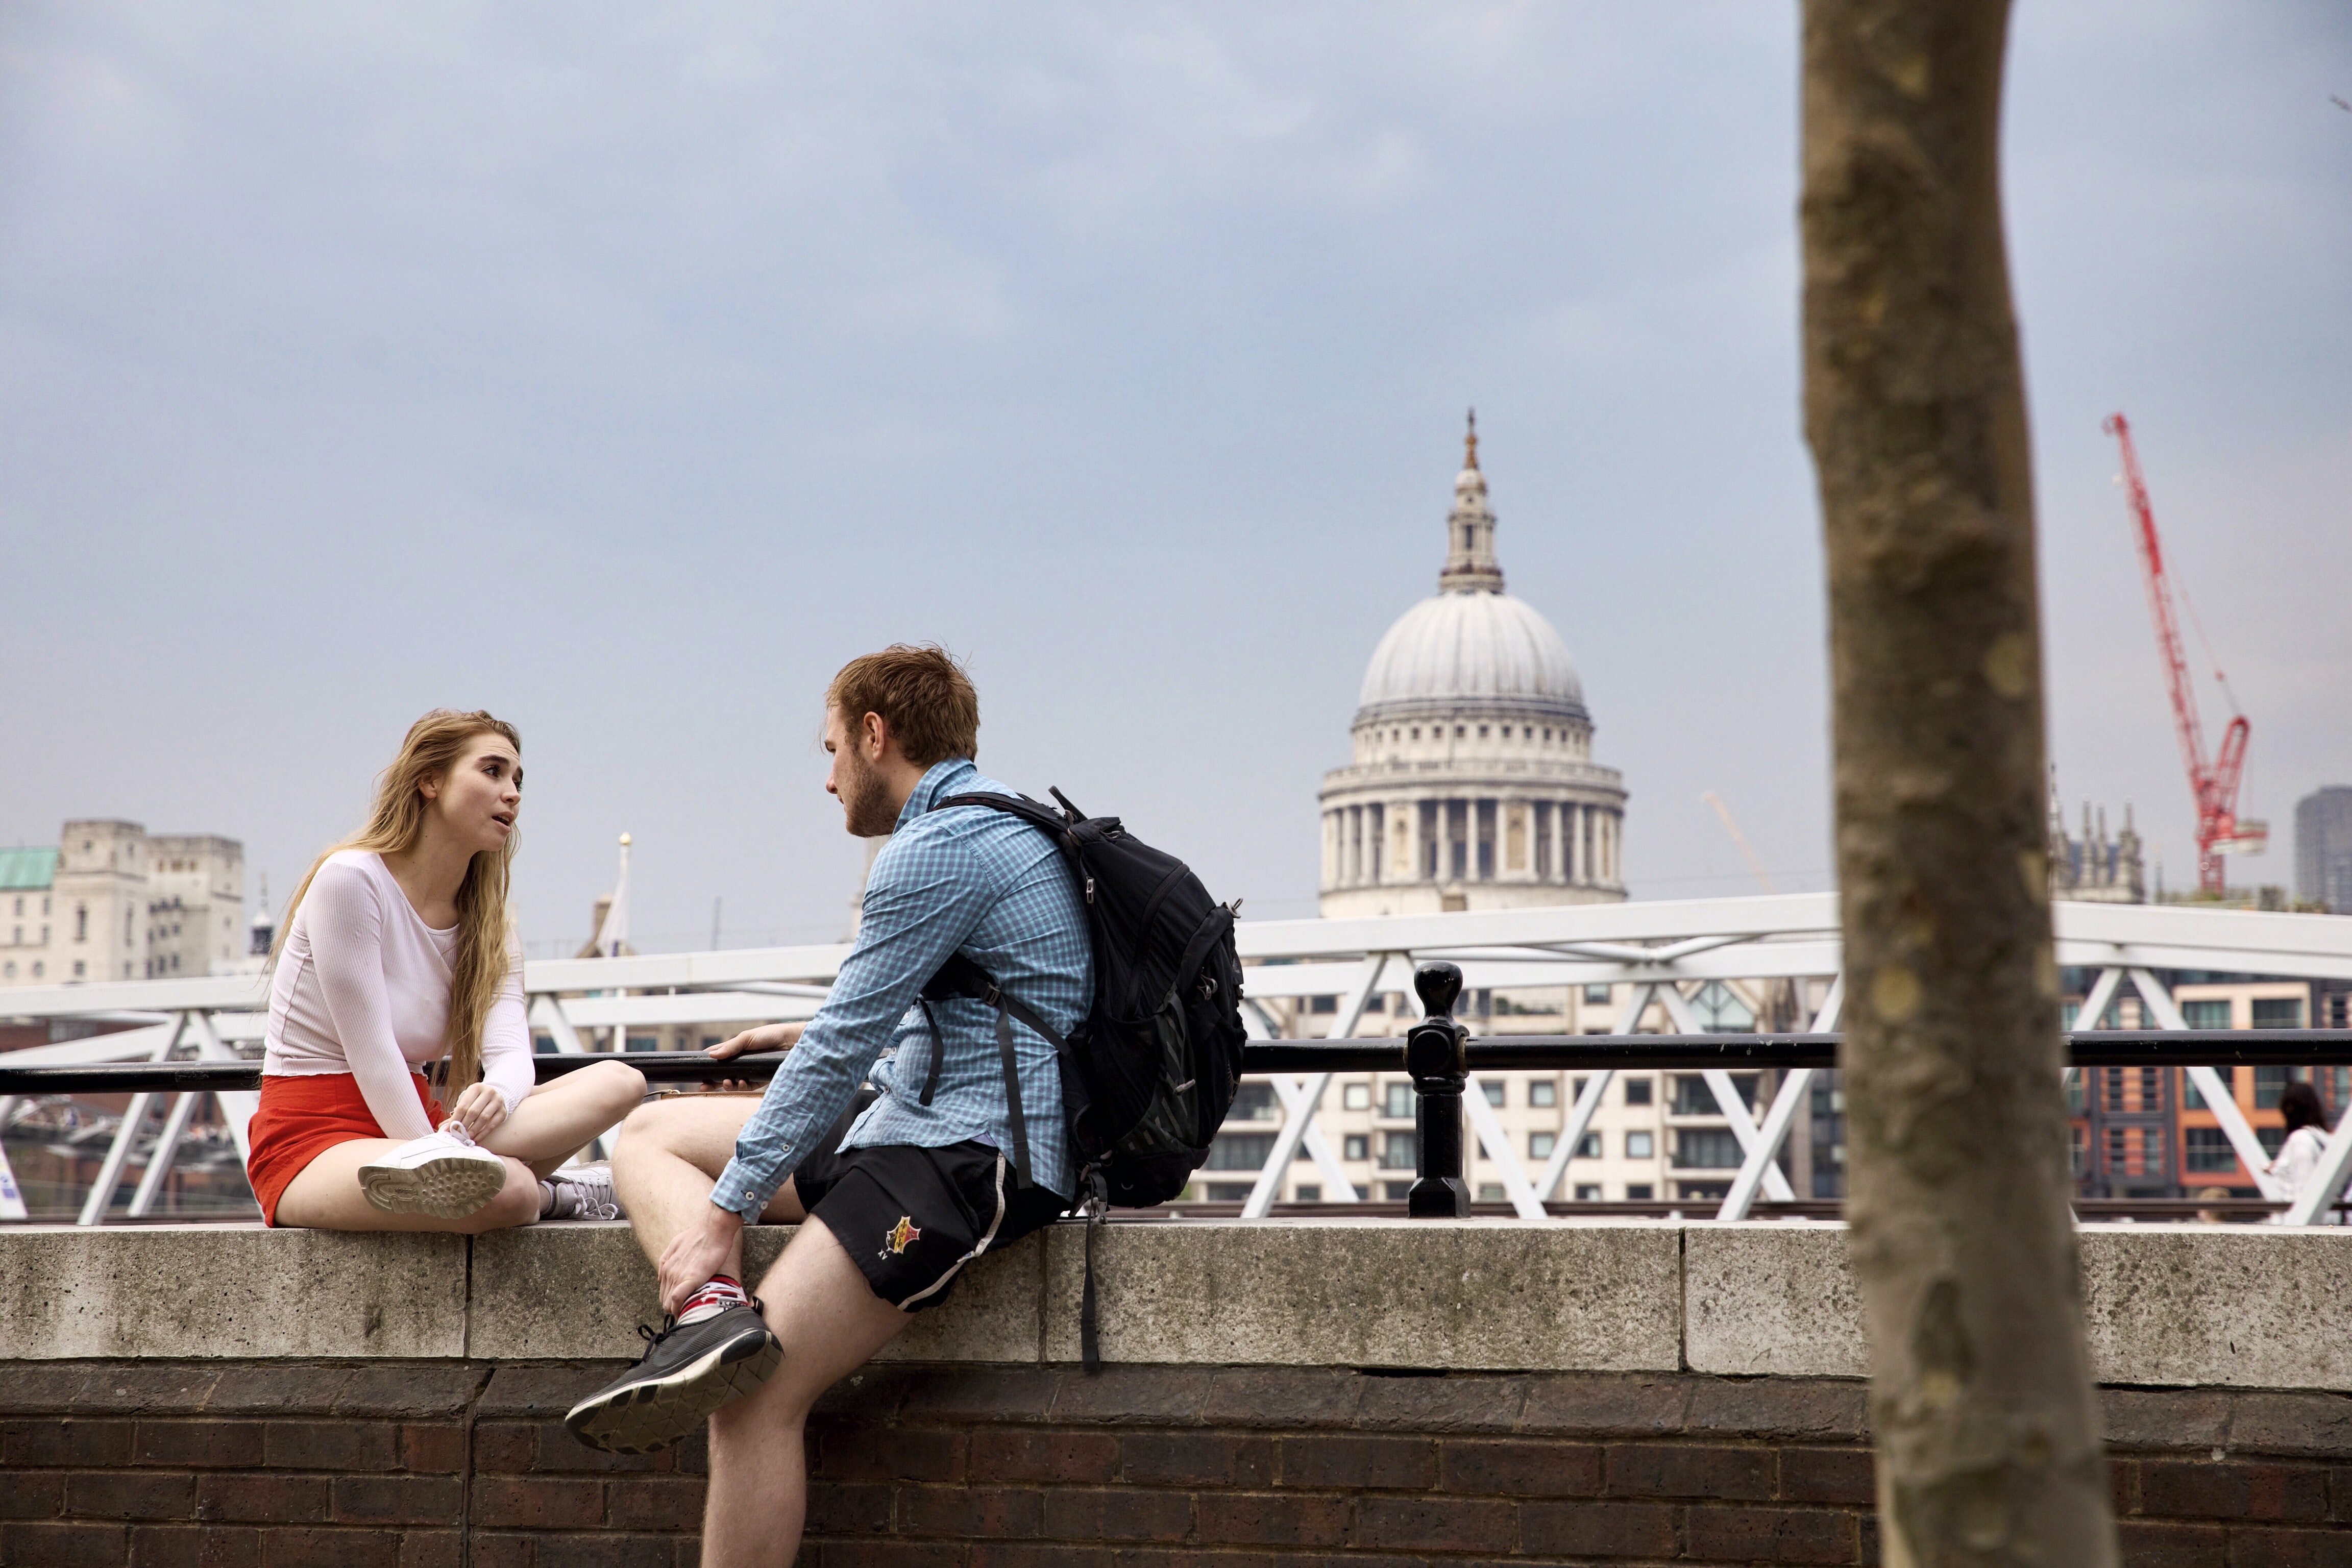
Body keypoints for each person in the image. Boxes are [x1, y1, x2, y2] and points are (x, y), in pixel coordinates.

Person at [565, 645, 1088, 1568]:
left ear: (876, 736)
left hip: (967, 1156)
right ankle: (717, 1316)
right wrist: (801, 1030)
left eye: (833, 748)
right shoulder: (1000, 821)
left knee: (754, 1399)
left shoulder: (935, 848)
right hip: (909, 1115)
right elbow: (982, 1003)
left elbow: (846, 1046)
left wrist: (725, 1213)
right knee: (648, 1131)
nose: (828, 777)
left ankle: (721, 1325)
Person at [246, 709, 646, 1232]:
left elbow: (510, 1056)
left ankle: (498, 1175)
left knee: (622, 1082)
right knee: (513, 1191)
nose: (514, 793)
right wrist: (438, 1154)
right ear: (429, 781)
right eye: (493, 771)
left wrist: (496, 1096)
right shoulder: (350, 880)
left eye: (519, 780)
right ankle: (561, 1193)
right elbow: (375, 1058)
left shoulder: (490, 925)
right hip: (316, 1141)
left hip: (430, 1128)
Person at [2265, 1080, 2339, 1224]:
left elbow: (2304, 1191)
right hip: (2329, 1218)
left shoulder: (2300, 1140)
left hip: (2299, 1224)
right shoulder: (2323, 1138)